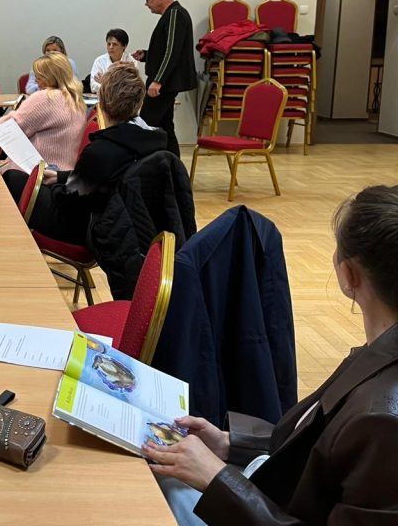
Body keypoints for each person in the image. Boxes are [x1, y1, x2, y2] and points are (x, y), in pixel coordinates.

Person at [145, 184, 398, 526]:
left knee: (145, 486)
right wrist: (230, 443)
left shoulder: (383, 419)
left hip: (273, 507)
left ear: (348, 274)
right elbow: (319, 444)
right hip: (278, 495)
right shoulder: (379, 355)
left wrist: (217, 479)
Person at [3, 62, 166, 244]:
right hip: (122, 227)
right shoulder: (155, 143)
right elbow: (102, 180)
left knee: (12, 178)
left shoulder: (102, 151)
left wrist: (56, 186)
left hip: (87, 228)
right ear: (140, 102)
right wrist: (61, 177)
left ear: (102, 101)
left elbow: (69, 199)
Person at [132, 0, 197, 158]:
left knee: (146, 125)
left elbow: (172, 51)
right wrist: (147, 55)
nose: (146, 4)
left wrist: (158, 80)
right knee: (165, 127)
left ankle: (142, 165)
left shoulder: (175, 14)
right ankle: (173, 166)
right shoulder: (172, 15)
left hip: (165, 84)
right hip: (166, 82)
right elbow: (167, 51)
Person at [0, 53, 86, 173]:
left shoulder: (45, 97)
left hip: (34, 172)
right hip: (62, 171)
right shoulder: (76, 100)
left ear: (50, 76)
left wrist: (11, 114)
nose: (35, 80)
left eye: (39, 76)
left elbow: (7, 129)